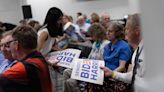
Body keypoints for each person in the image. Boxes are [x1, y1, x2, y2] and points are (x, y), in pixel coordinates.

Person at [0, 25, 52, 92]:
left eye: (8, 45)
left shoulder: (23, 67)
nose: (8, 48)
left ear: (16, 44)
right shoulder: (39, 58)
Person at [101, 13, 144, 92]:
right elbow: (133, 76)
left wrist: (112, 75)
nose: (125, 32)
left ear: (137, 31)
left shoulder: (147, 54)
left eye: (127, 29)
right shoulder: (137, 51)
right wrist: (112, 74)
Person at [63, 23, 110, 92]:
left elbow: (104, 62)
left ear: (97, 35)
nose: (91, 37)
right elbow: (89, 58)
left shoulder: (106, 45)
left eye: (92, 35)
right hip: (88, 68)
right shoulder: (95, 43)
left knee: (70, 82)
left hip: (95, 72)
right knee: (66, 71)